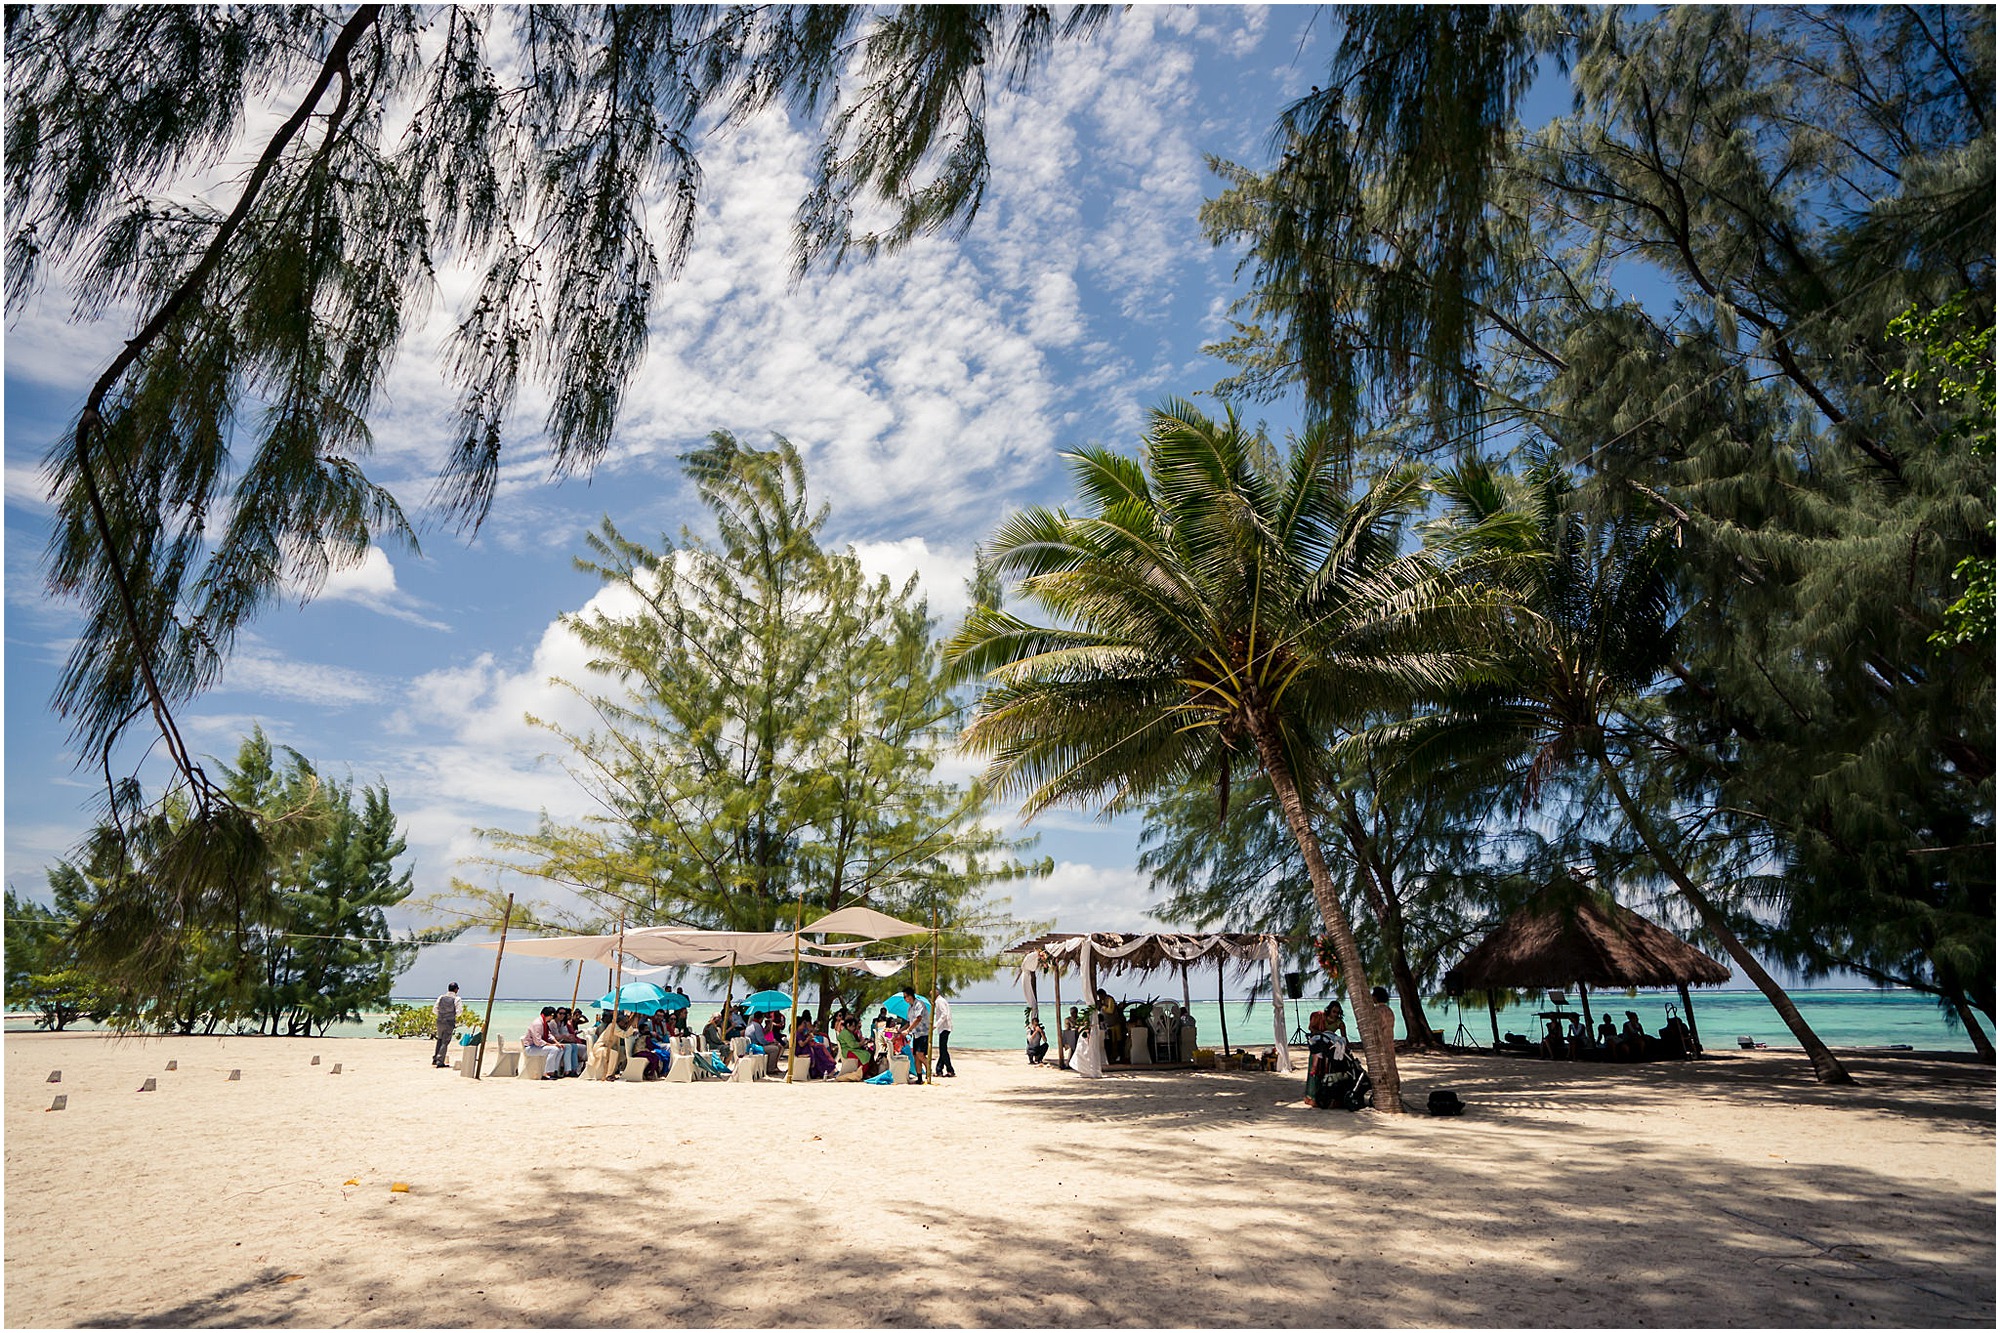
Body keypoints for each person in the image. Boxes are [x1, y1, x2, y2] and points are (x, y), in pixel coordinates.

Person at [900, 985, 931, 1083]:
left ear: (910, 996)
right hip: (916, 1035)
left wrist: (908, 1030)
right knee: (916, 1057)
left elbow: (918, 1019)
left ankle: (929, 1073)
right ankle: (920, 1078)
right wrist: (900, 1030)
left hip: (923, 1033)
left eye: (905, 996)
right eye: (904, 997)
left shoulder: (919, 1004)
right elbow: (909, 1022)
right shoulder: (910, 1008)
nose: (905, 999)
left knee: (920, 1054)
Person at [525, 1005, 566, 1079]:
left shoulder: (544, 1023)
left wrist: (557, 1043)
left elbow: (549, 1034)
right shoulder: (538, 1023)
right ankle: (547, 1072)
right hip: (530, 1048)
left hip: (536, 1046)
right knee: (554, 1049)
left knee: (560, 1049)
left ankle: (554, 1070)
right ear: (550, 1015)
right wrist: (551, 1045)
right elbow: (538, 1042)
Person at [432, 982, 461, 1068]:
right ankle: (440, 1061)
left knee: (440, 1039)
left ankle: (435, 1059)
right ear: (456, 989)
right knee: (445, 1041)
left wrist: (441, 1014)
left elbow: (434, 1009)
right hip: (449, 1021)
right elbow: (459, 1012)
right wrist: (451, 1015)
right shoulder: (457, 999)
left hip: (440, 1020)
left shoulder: (441, 997)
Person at [933, 993, 955, 1077]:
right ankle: (939, 1069)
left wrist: (936, 1025)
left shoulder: (939, 1001)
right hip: (944, 1027)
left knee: (943, 1050)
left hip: (944, 1027)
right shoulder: (939, 1001)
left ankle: (950, 1070)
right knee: (942, 1050)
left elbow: (944, 1014)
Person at [1370, 986, 1396, 1053]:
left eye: (1373, 995)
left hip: (1380, 1043)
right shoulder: (1389, 1010)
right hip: (1390, 1041)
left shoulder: (1377, 1011)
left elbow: (1376, 1026)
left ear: (1376, 997)